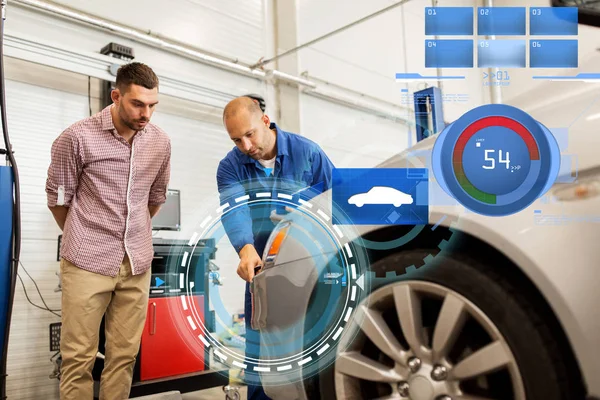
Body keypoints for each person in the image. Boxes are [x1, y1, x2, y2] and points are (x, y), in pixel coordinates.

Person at [46, 62, 171, 400]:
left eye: (152, 105)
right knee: (78, 359)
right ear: (116, 96)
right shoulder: (76, 137)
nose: (146, 114)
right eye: (137, 104)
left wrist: (131, 234)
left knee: (124, 357)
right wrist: (87, 235)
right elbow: (58, 200)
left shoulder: (160, 142)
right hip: (87, 262)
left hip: (136, 264)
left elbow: (154, 199)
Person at [216, 96, 334, 400]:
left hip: (312, 265)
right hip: (262, 270)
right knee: (260, 353)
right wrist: (244, 248)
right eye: (236, 139)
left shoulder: (307, 153)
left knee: (315, 342)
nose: (245, 145)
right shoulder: (230, 167)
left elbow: (337, 201)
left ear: (265, 122)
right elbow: (234, 210)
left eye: (250, 134)